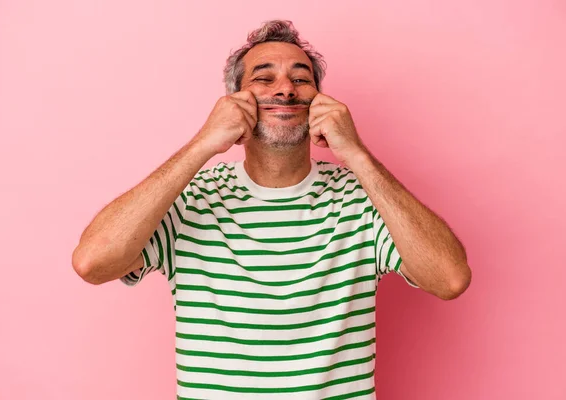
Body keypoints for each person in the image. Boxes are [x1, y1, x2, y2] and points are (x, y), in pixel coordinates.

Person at [72, 20, 471, 400]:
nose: (285, 91)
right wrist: (203, 145)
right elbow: (93, 263)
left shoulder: (363, 197)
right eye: (264, 78)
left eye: (301, 79)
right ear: (234, 101)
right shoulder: (192, 197)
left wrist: (357, 155)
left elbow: (450, 279)